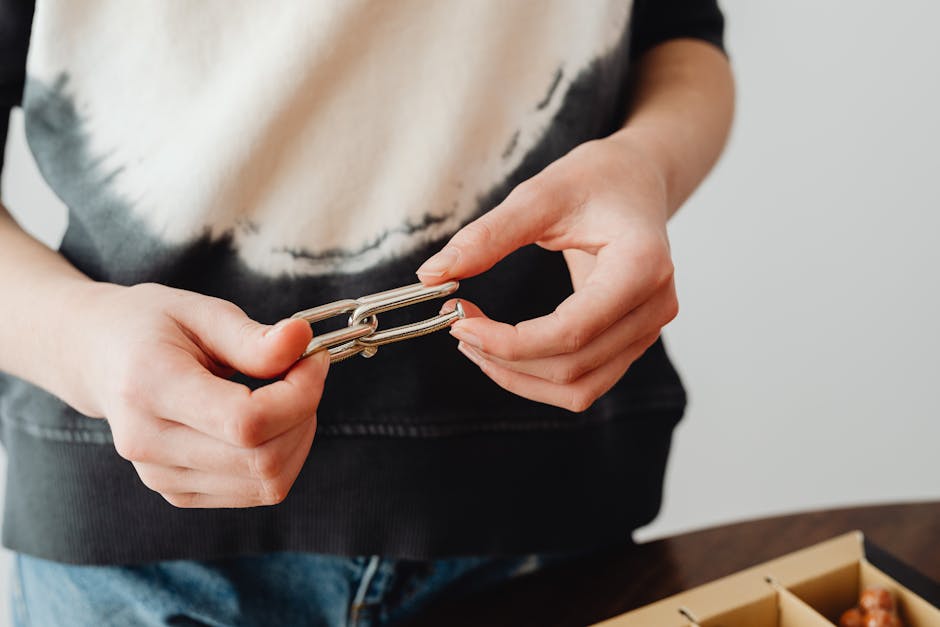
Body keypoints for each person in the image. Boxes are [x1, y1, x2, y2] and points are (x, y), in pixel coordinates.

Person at [0, 0, 734, 625]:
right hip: (133, 556)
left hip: (544, 508)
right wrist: (83, 343)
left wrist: (648, 163)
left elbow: (680, 34)